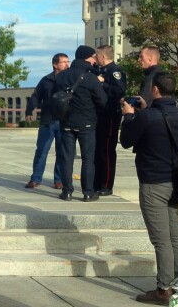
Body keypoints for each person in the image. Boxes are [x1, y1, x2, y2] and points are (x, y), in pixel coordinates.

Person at [119, 73, 178, 305]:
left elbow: (126, 141)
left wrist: (128, 116)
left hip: (153, 183)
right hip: (175, 182)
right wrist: (145, 109)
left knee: (161, 240)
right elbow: (160, 125)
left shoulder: (146, 117)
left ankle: (163, 289)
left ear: (156, 89)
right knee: (174, 235)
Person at [54, 45, 107, 201]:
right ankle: (88, 192)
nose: (95, 59)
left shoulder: (62, 76)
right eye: (93, 57)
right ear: (87, 58)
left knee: (67, 158)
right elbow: (102, 100)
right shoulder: (90, 77)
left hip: (66, 122)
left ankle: (67, 191)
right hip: (87, 122)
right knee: (88, 158)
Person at [24, 52, 69, 189]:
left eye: (68, 61)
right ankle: (36, 178)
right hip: (47, 120)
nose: (67, 64)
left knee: (62, 152)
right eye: (64, 62)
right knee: (42, 151)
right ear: (55, 64)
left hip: (64, 121)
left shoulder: (70, 80)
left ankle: (59, 180)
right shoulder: (46, 80)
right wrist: (29, 110)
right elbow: (35, 96)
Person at [93, 45, 126, 196]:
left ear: (103, 57)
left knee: (106, 150)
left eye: (97, 56)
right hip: (99, 115)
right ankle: (97, 182)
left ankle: (106, 184)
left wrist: (102, 83)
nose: (95, 58)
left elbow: (118, 91)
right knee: (98, 150)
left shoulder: (115, 71)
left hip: (110, 115)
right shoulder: (101, 71)